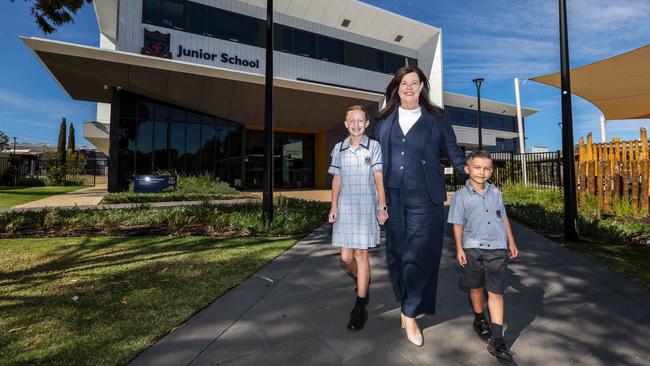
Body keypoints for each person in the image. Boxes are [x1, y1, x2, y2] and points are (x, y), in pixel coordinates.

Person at [372, 66, 467, 346]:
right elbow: (373, 156)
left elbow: (453, 151)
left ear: (423, 87)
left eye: (415, 83)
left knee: (420, 254)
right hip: (391, 195)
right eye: (404, 83)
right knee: (397, 254)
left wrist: (471, 179)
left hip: (425, 196)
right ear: (396, 88)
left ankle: (410, 311)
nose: (410, 88)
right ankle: (407, 300)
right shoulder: (383, 118)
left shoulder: (437, 117)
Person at [447, 150, 520, 362]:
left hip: (497, 248)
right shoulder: (460, 197)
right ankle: (479, 318)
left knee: (496, 291)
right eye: (477, 168)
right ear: (467, 169)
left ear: (492, 171)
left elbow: (503, 217)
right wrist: (459, 249)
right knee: (476, 287)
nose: (482, 172)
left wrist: (511, 241)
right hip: (472, 248)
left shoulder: (496, 193)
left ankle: (498, 339)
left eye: (487, 168)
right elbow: (457, 225)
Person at [328, 105, 389, 331]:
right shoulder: (339, 148)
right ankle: (362, 280)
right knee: (346, 257)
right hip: (345, 208)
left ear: (366, 124)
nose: (355, 124)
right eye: (351, 120)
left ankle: (360, 305)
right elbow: (336, 179)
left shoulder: (374, 147)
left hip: (366, 208)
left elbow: (378, 176)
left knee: (361, 254)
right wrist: (333, 206)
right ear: (346, 124)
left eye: (360, 120)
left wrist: (381, 205)